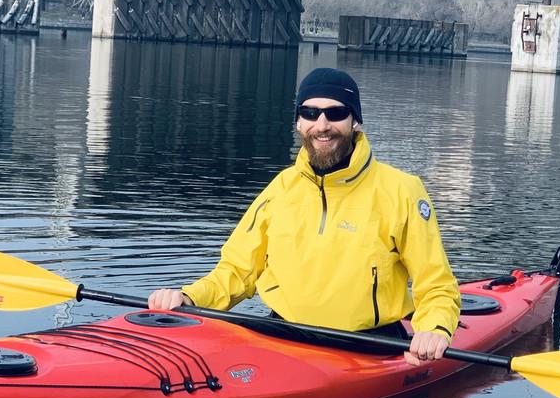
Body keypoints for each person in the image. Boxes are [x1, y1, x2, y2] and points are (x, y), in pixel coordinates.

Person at [147, 67, 459, 365]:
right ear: (298, 123)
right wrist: (189, 298)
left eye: (336, 113)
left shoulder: (402, 190)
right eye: (310, 113)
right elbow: (238, 271)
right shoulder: (281, 188)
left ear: (356, 122)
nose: (322, 125)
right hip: (283, 338)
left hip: (368, 346)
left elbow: (436, 284)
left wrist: (434, 329)